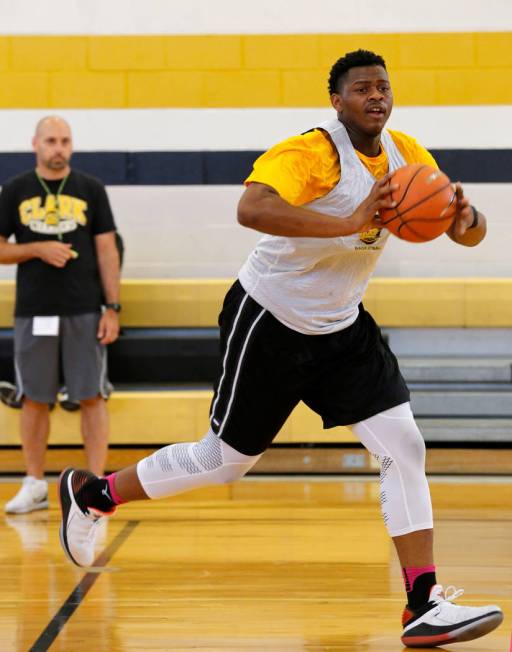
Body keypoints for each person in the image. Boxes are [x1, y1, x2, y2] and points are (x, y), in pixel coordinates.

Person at [57, 51, 502, 647]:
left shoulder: (407, 155)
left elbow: (470, 233)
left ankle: (422, 602)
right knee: (223, 461)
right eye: (362, 88)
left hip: (342, 328)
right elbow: (252, 208)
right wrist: (350, 222)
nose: (376, 96)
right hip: (270, 317)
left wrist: (463, 213)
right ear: (337, 101)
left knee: (404, 444)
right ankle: (93, 496)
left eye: (384, 87)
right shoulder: (312, 153)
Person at [0, 116, 121, 514]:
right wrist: (36, 248)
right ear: (35, 143)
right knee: (34, 399)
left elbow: (107, 250)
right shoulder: (15, 190)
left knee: (90, 397)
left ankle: (95, 487)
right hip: (34, 311)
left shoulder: (91, 189)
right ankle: (34, 483)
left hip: (85, 309)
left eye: (65, 141)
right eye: (51, 140)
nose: (58, 147)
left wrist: (112, 308)